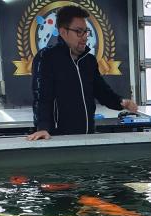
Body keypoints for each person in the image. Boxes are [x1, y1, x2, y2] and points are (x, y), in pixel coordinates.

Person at [27, 6, 137, 140]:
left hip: (87, 136)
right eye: (79, 32)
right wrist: (42, 128)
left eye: (86, 31)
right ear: (63, 32)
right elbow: (42, 97)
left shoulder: (88, 61)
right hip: (57, 139)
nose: (84, 37)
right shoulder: (47, 57)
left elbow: (102, 91)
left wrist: (121, 102)